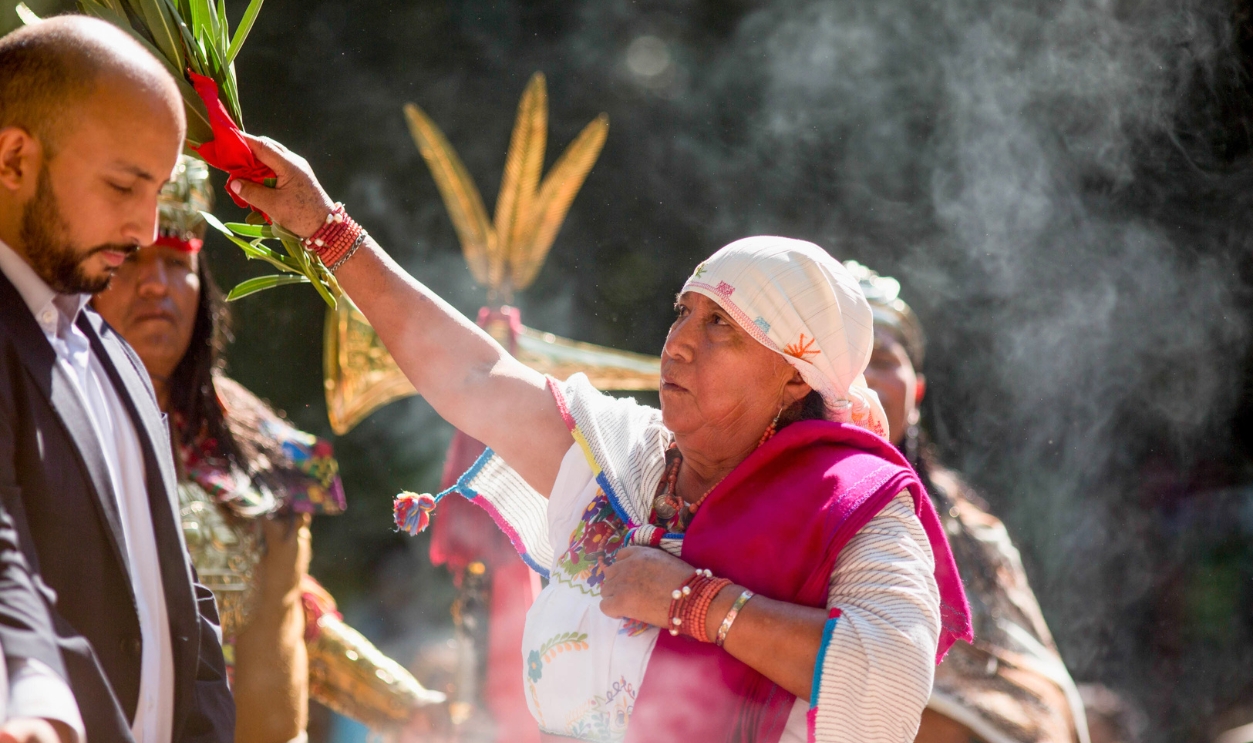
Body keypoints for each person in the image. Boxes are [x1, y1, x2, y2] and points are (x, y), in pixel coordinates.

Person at [221, 134, 974, 743]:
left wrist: (695, 603)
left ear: (793, 376)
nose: (678, 344)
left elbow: (885, 682)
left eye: (723, 327)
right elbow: (475, 376)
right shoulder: (621, 457)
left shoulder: (856, 509)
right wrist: (326, 227)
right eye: (683, 312)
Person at [91, 156, 447, 742]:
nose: (155, 284)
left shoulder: (259, 445)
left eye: (176, 262)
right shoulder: (33, 418)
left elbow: (287, 619)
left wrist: (404, 706)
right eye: (132, 260)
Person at [0, 17, 233, 743]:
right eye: (123, 186)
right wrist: (30, 694)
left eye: (156, 191)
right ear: (12, 158)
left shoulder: (115, 354)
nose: (144, 228)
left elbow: (179, 597)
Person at [847, 260, 1090, 743]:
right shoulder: (738, 498)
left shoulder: (969, 532)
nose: (863, 382)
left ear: (917, 391)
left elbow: (1036, 701)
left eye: (882, 359)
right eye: (844, 364)